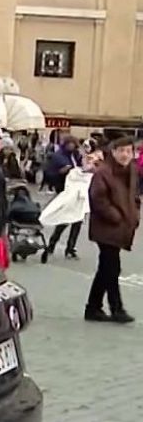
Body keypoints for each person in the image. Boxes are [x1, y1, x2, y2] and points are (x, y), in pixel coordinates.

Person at [85, 136, 138, 323]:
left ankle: (93, 307)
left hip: (121, 226)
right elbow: (98, 199)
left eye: (129, 151)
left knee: (106, 268)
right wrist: (115, 216)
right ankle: (117, 309)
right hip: (106, 227)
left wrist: (134, 214)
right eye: (121, 151)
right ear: (113, 152)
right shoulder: (104, 173)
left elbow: (134, 196)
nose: (125, 155)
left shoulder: (131, 171)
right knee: (112, 267)